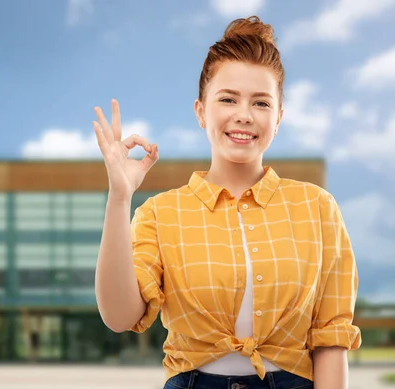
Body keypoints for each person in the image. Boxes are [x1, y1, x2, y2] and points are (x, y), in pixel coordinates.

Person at [92, 16, 361, 389]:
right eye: (228, 99)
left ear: (279, 118)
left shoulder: (318, 207)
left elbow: (331, 337)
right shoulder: (160, 213)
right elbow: (120, 316)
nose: (244, 115)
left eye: (261, 103)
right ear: (201, 111)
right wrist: (120, 199)